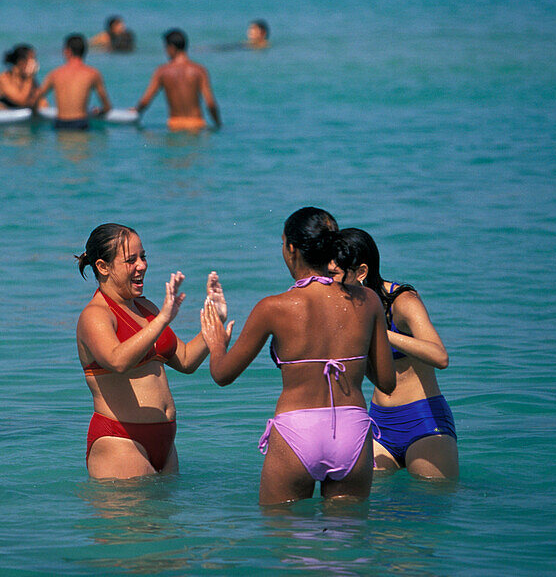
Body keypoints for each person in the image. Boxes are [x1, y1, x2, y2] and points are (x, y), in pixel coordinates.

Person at [200, 207, 395, 505]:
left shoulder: (274, 307)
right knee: (347, 545)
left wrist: (216, 343)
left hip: (297, 432)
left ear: (292, 250)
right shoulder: (367, 300)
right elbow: (386, 382)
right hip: (352, 430)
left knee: (288, 542)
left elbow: (222, 375)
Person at [75, 223, 225, 478]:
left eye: (143, 257)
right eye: (130, 260)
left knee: (167, 519)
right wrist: (163, 319)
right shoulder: (95, 315)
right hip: (120, 440)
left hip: (165, 445)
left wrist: (215, 322)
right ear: (103, 267)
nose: (142, 265)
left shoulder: (146, 308)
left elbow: (186, 361)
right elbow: (117, 360)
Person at [331, 228, 457, 480]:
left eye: (333, 274)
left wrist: (381, 333)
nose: (328, 281)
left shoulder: (402, 301)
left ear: (361, 272)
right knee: (372, 510)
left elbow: (440, 356)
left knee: (429, 506)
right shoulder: (346, 306)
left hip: (424, 423)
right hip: (379, 423)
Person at [133, 28, 219, 132]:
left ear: (171, 48)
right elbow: (210, 104)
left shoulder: (162, 71)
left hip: (174, 125)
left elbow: (145, 101)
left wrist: (135, 111)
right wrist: (218, 124)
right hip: (197, 125)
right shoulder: (199, 70)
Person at [29, 34, 111, 130]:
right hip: (80, 123)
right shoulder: (93, 74)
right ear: (85, 52)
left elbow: (36, 99)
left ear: (67, 51)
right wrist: (99, 112)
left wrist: (34, 113)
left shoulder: (55, 74)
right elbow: (107, 107)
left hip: (60, 123)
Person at [0, 44, 42, 109]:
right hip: (8, 117)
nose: (34, 63)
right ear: (21, 62)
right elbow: (21, 100)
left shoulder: (30, 80)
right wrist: (29, 78)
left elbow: (42, 102)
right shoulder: (3, 78)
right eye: (32, 59)